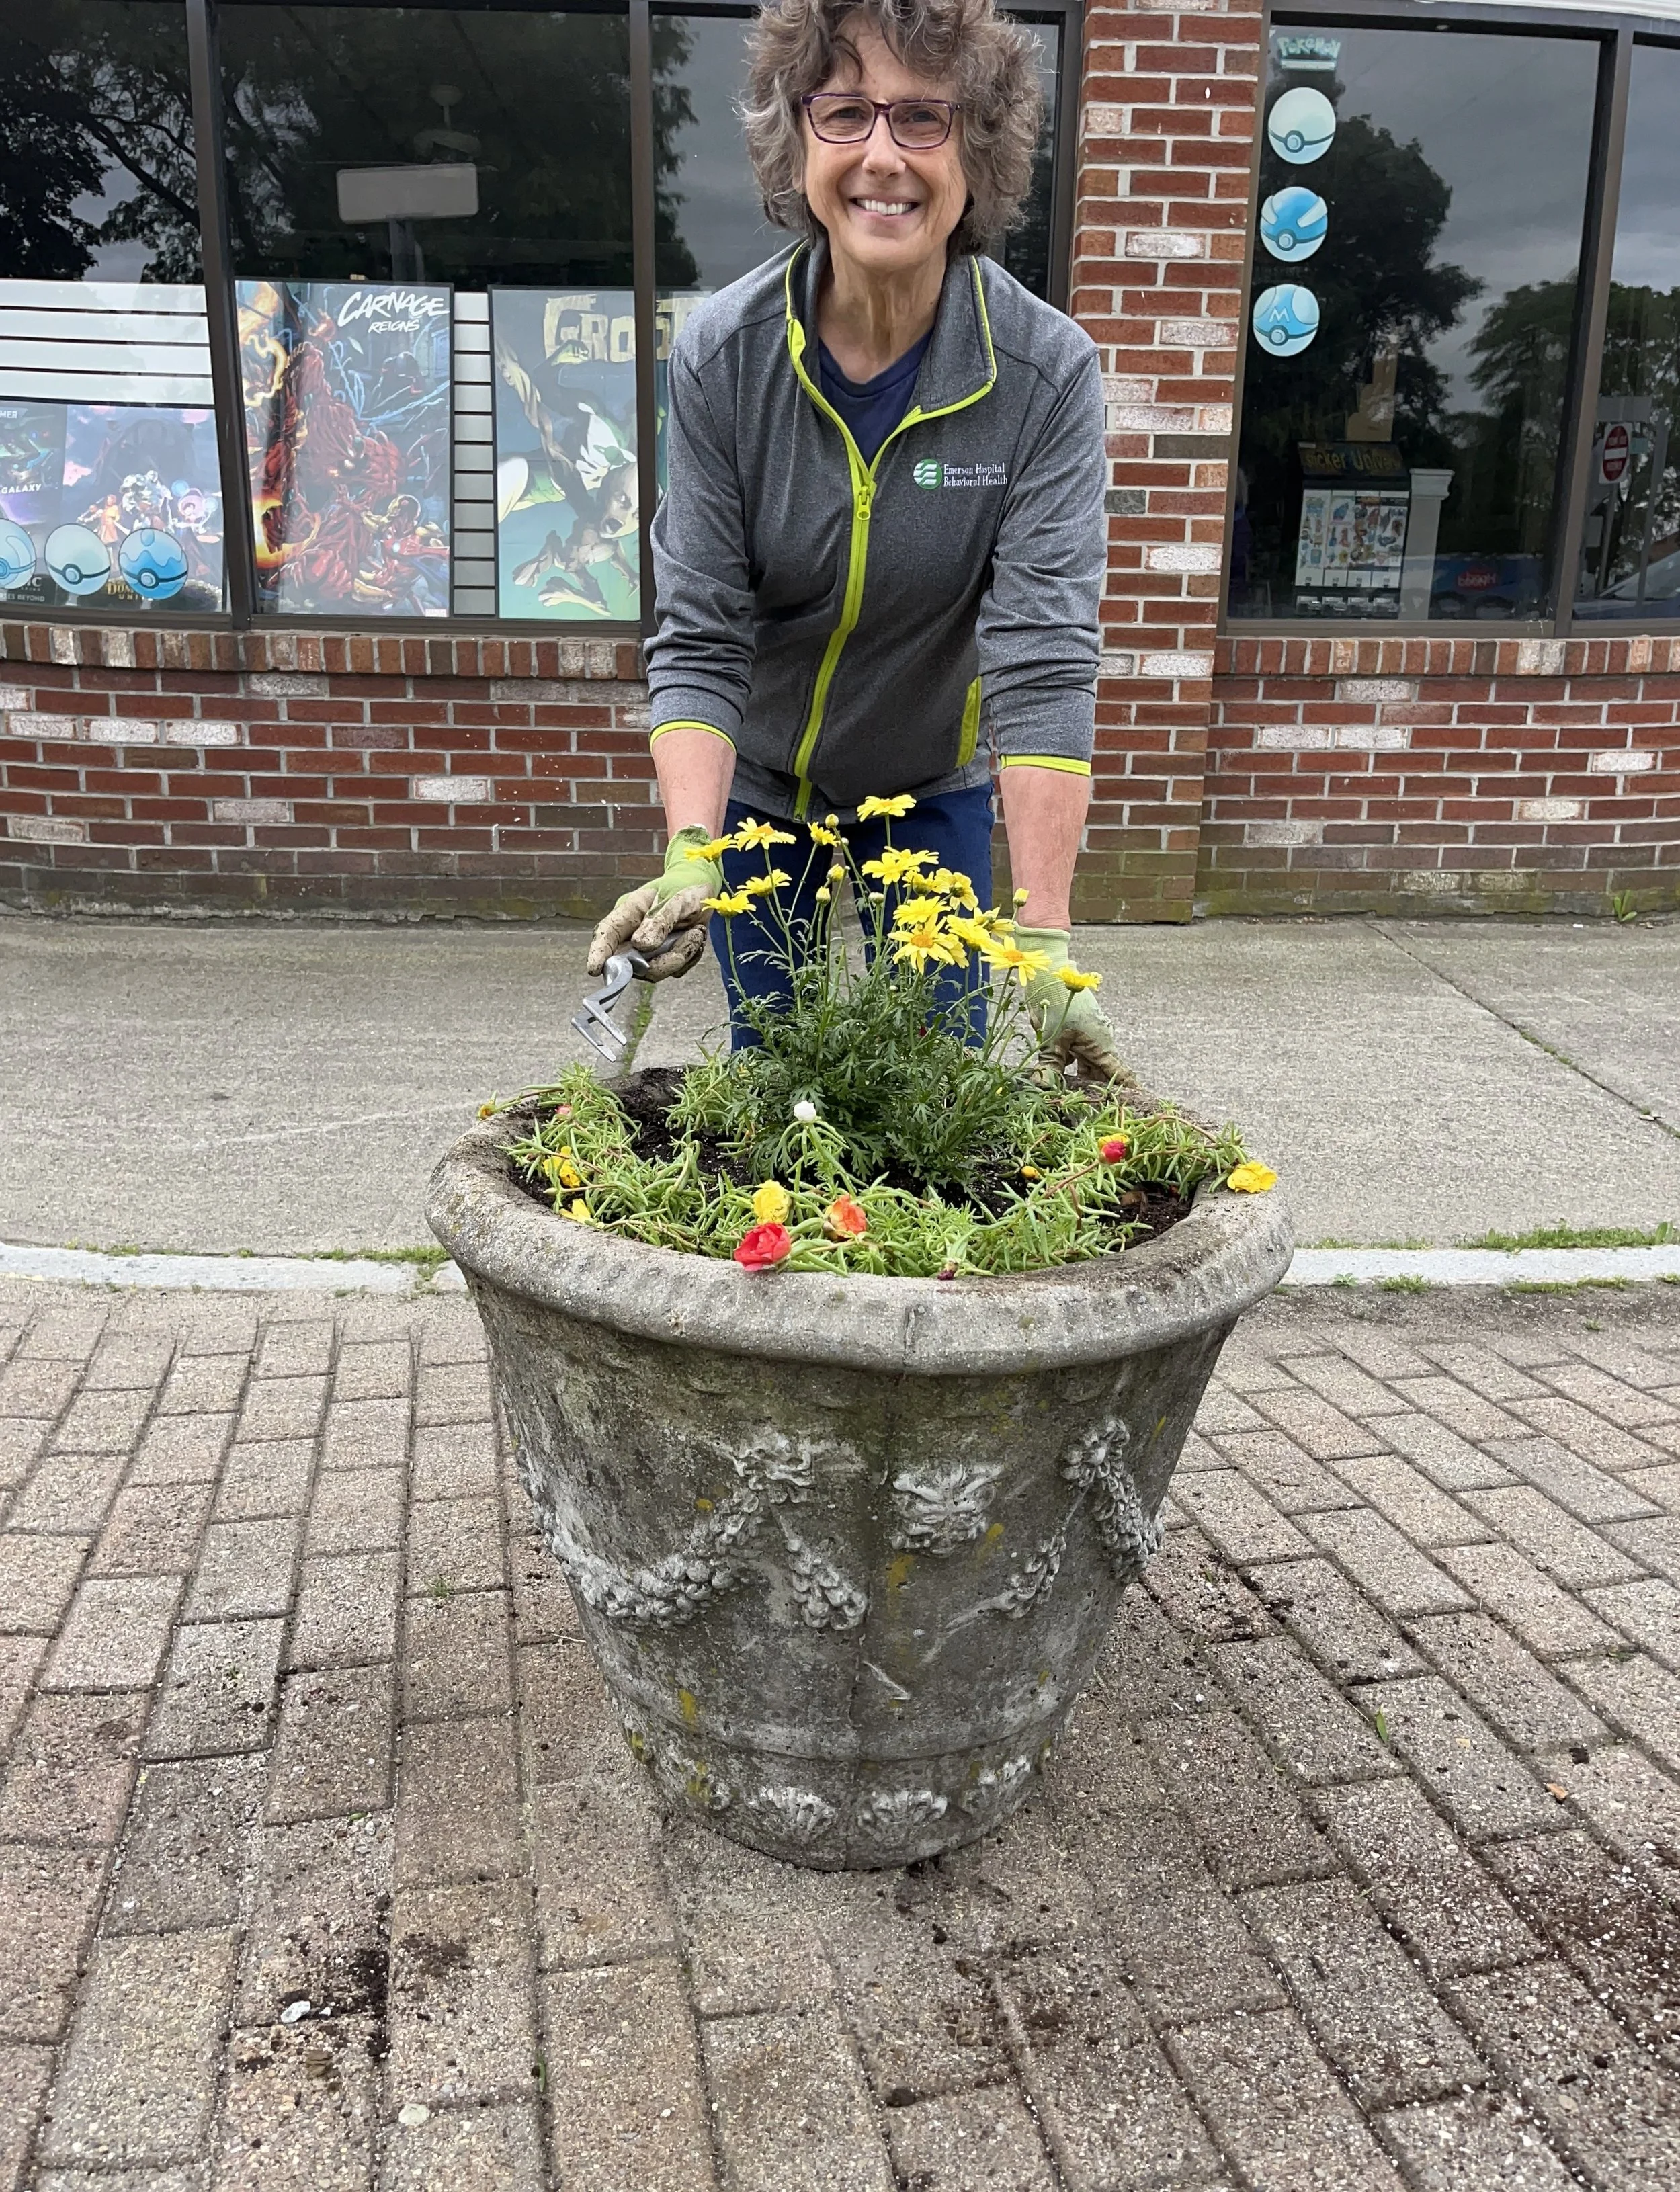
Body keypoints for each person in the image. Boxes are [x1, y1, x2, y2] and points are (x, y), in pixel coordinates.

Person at [588, 0, 1127, 1083]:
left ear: (978, 152)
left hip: (930, 773)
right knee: (775, 1071)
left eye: (924, 118)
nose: (883, 156)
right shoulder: (719, 360)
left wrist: (1046, 937)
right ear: (801, 141)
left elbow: (1042, 659)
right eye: (845, 113)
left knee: (937, 1078)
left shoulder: (1044, 377)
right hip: (764, 774)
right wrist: (694, 848)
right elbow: (700, 632)